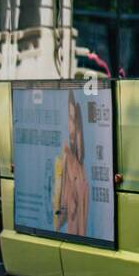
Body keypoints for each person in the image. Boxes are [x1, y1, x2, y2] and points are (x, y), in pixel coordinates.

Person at [54, 92, 89, 237]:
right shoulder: (66, 159)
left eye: (74, 119)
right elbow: (58, 219)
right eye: (69, 119)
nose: (72, 126)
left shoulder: (80, 170)